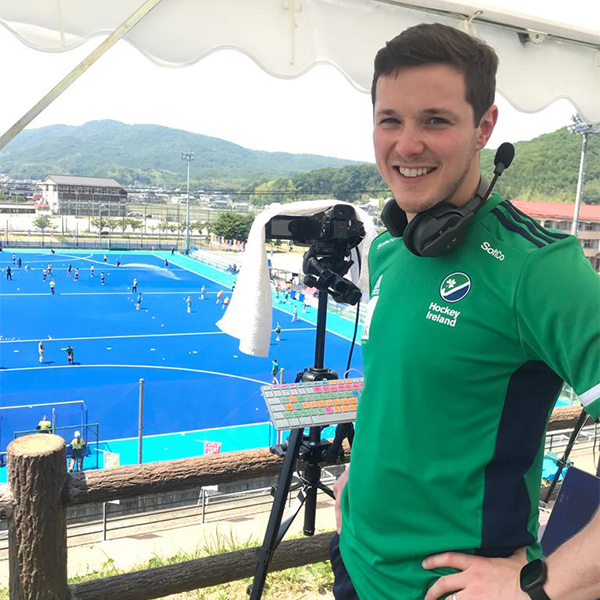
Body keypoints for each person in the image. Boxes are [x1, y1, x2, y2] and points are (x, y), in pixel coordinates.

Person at [330, 23, 600, 600]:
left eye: (435, 120)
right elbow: (405, 392)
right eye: (390, 120)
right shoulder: (392, 245)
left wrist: (538, 585)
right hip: (355, 562)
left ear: (484, 128)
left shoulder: (540, 269)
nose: (406, 144)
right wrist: (363, 481)